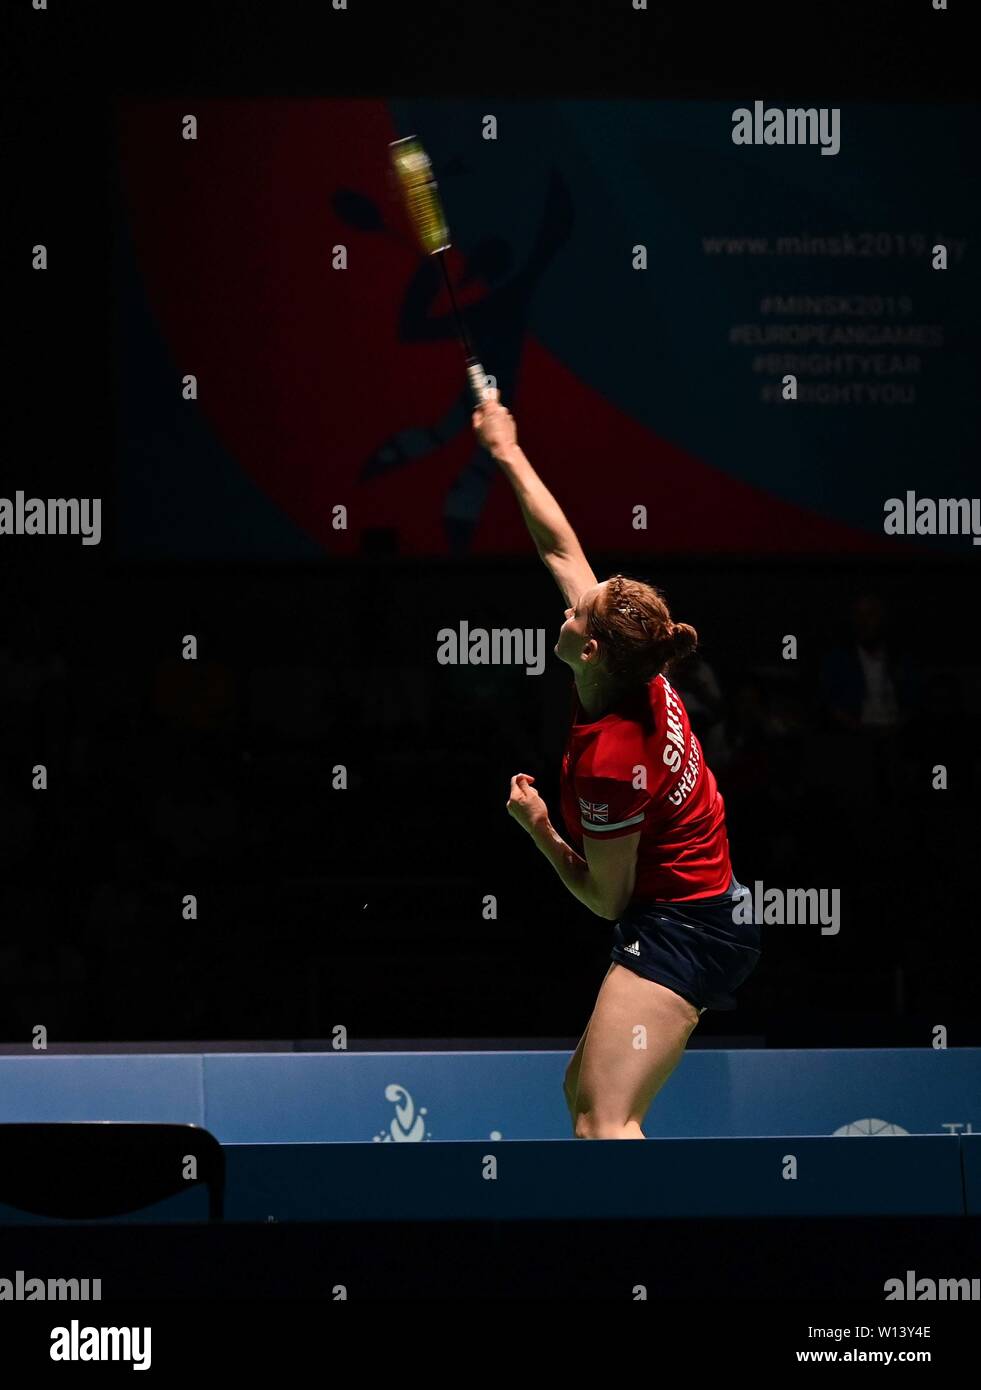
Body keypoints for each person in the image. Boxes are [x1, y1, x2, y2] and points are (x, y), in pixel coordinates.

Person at [473, 391, 760, 1139]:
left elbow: (606, 898)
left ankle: (643, 1255)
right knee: (583, 1093)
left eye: (576, 611)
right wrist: (506, 451)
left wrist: (537, 826)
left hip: (686, 927)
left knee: (603, 1122)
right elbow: (561, 548)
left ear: (590, 648)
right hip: (699, 908)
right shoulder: (634, 665)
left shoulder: (610, 761)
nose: (564, 606)